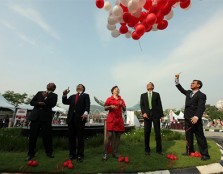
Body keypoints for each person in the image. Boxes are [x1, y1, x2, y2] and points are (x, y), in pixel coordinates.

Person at [175, 73, 210, 160]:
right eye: (191, 83)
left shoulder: (202, 95)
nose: (191, 84)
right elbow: (180, 88)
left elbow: (201, 107)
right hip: (187, 119)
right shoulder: (188, 93)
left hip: (195, 119)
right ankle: (190, 151)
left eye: (193, 83)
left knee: (200, 137)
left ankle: (205, 154)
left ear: (198, 85)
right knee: (188, 137)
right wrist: (177, 79)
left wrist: (197, 117)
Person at [27, 83, 58, 161]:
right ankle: (31, 154)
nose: (49, 85)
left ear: (54, 88)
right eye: (48, 84)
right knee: (33, 136)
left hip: (46, 118)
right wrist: (38, 103)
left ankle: (49, 152)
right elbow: (31, 102)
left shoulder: (54, 95)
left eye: (51, 85)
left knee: (47, 136)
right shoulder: (39, 92)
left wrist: (45, 98)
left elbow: (52, 104)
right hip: (35, 117)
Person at [62, 84, 90, 162]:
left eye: (80, 86)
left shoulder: (86, 95)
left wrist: (86, 112)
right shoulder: (72, 96)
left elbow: (87, 105)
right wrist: (64, 95)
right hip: (71, 119)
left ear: (83, 88)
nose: (78, 87)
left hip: (80, 118)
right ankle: (72, 154)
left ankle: (80, 155)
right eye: (77, 86)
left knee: (80, 138)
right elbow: (65, 102)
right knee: (71, 137)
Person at [103, 86, 126, 160]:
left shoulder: (121, 99)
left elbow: (124, 109)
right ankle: (105, 153)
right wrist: (110, 106)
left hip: (119, 120)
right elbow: (105, 108)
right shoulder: (109, 99)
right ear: (112, 91)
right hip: (111, 119)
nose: (117, 90)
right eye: (115, 89)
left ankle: (115, 152)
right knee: (109, 135)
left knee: (118, 136)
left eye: (118, 89)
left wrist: (121, 104)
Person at [140, 82, 164, 155]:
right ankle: (147, 150)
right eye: (147, 84)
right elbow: (142, 105)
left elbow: (159, 105)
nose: (148, 85)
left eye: (150, 84)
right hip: (146, 116)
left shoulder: (157, 94)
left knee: (157, 133)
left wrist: (162, 115)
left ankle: (159, 150)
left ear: (153, 87)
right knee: (147, 133)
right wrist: (143, 113)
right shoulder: (143, 95)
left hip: (156, 115)